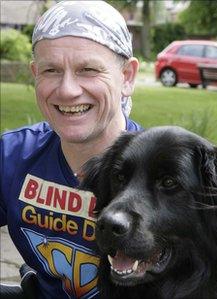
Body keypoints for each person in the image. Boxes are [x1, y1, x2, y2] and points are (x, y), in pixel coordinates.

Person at [0, 1, 142, 298]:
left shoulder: (165, 176)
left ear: (127, 77)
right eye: (51, 70)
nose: (67, 90)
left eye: (88, 69)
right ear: (35, 74)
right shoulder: (12, 157)